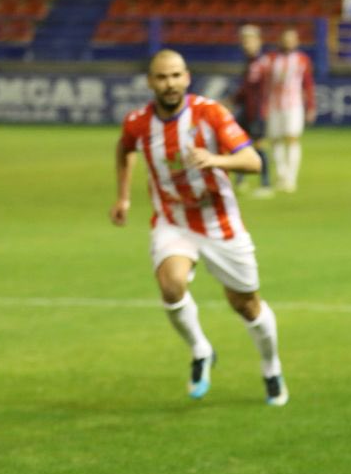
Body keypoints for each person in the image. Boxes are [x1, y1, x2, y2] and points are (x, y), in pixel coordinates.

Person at [109, 49, 289, 406]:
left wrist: (216, 159)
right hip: (172, 220)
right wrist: (124, 197)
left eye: (176, 75)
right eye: (162, 77)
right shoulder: (138, 122)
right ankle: (201, 349)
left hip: (218, 221)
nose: (170, 83)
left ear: (187, 77)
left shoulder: (210, 113)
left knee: (246, 304)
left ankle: (271, 367)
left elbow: (253, 161)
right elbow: (124, 148)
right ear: (150, 82)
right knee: (170, 284)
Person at [266, 28, 316, 193]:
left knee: (292, 139)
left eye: (291, 39)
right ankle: (281, 175)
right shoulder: (271, 59)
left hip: (293, 105)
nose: (288, 42)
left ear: (296, 41)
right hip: (274, 105)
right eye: (285, 39)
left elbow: (308, 84)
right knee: (275, 140)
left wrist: (311, 106)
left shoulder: (302, 60)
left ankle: (291, 178)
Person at [232, 24, 274, 198]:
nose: (246, 43)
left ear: (258, 41)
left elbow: (252, 91)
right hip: (246, 110)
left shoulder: (260, 63)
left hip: (257, 112)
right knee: (238, 144)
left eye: (249, 40)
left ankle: (266, 184)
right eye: (244, 40)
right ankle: (240, 180)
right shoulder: (250, 62)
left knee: (258, 146)